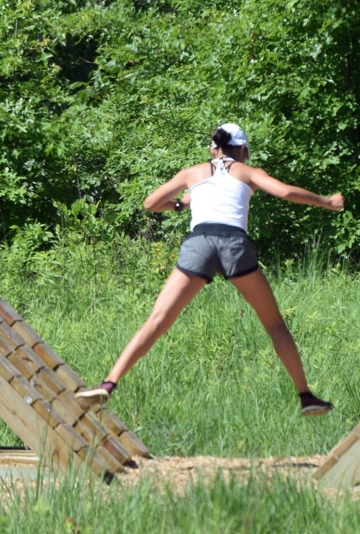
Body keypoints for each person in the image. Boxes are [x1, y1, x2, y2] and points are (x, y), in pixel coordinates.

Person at [76, 124, 341, 416]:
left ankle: (109, 384)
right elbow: (286, 192)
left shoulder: (193, 173)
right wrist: (326, 202)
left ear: (213, 149)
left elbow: (151, 202)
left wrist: (181, 204)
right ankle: (306, 396)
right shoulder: (249, 172)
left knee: (158, 319)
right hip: (234, 244)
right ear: (242, 150)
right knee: (274, 324)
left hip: (198, 243)